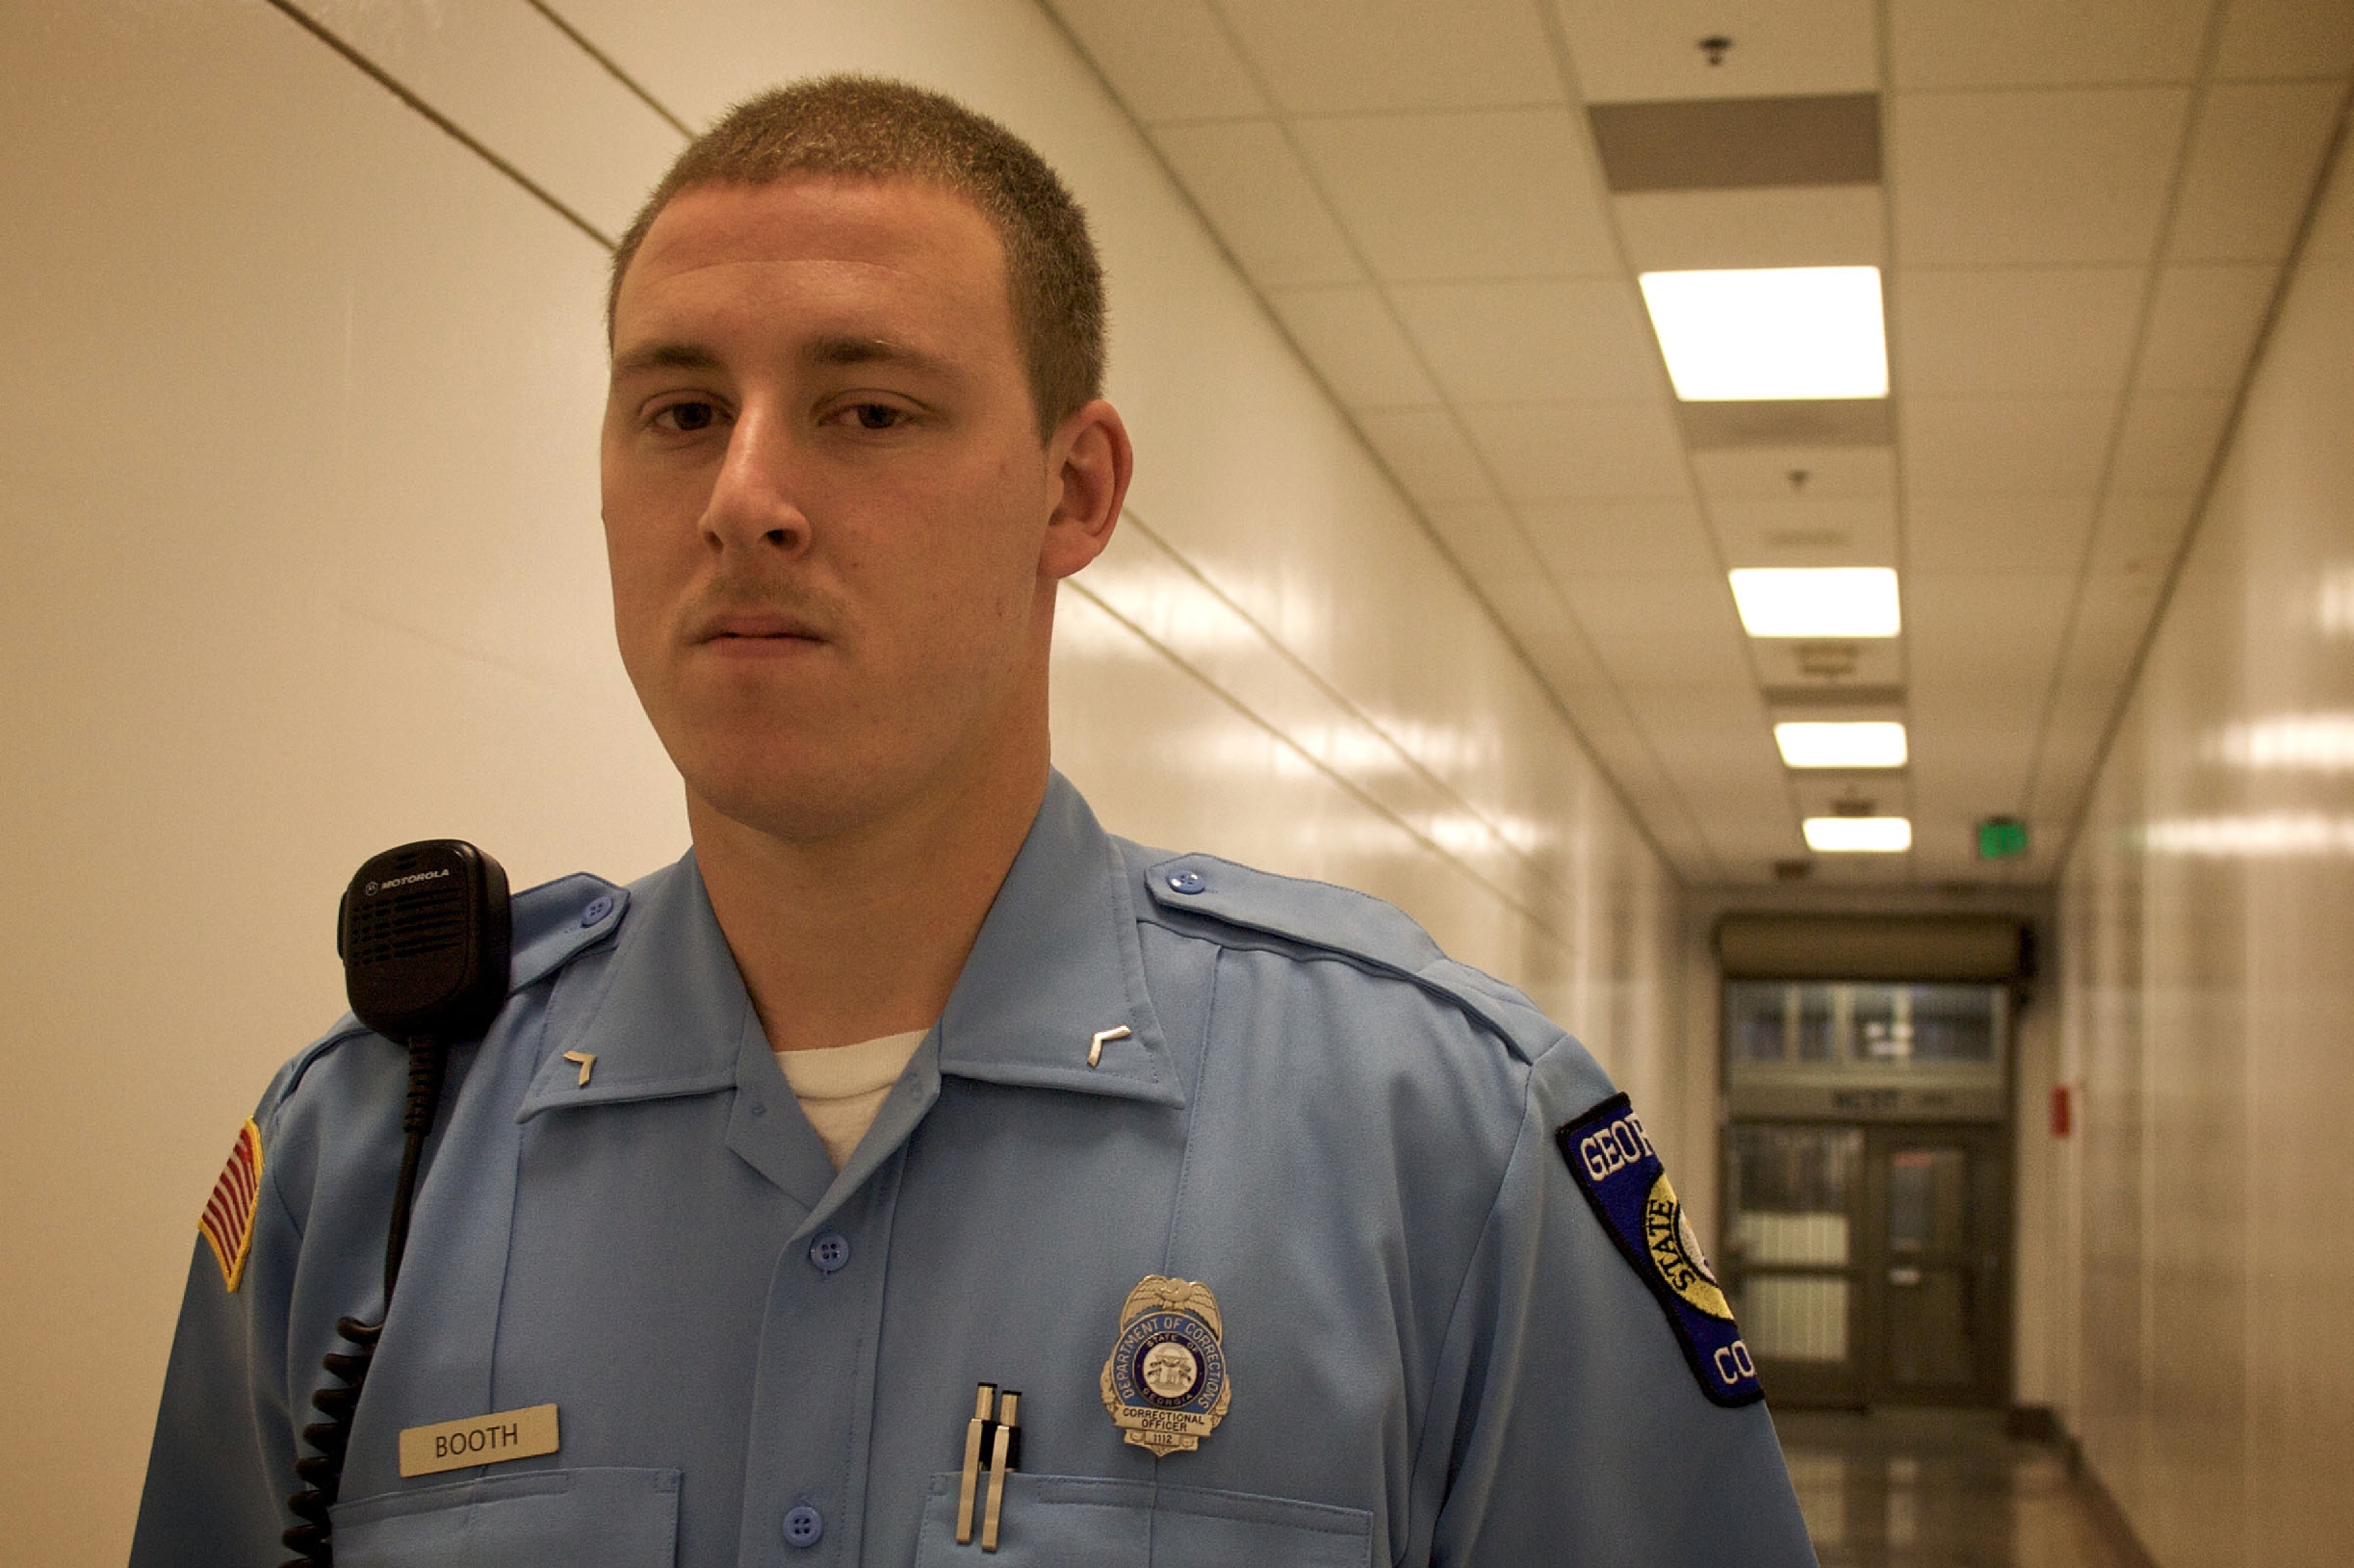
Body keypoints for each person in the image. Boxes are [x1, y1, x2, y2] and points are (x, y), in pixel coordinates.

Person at [131, 76, 1818, 1566]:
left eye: (866, 411)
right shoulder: (373, 1149)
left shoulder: (1440, 1142)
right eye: (682, 413)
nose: (742, 498)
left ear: (1072, 492)